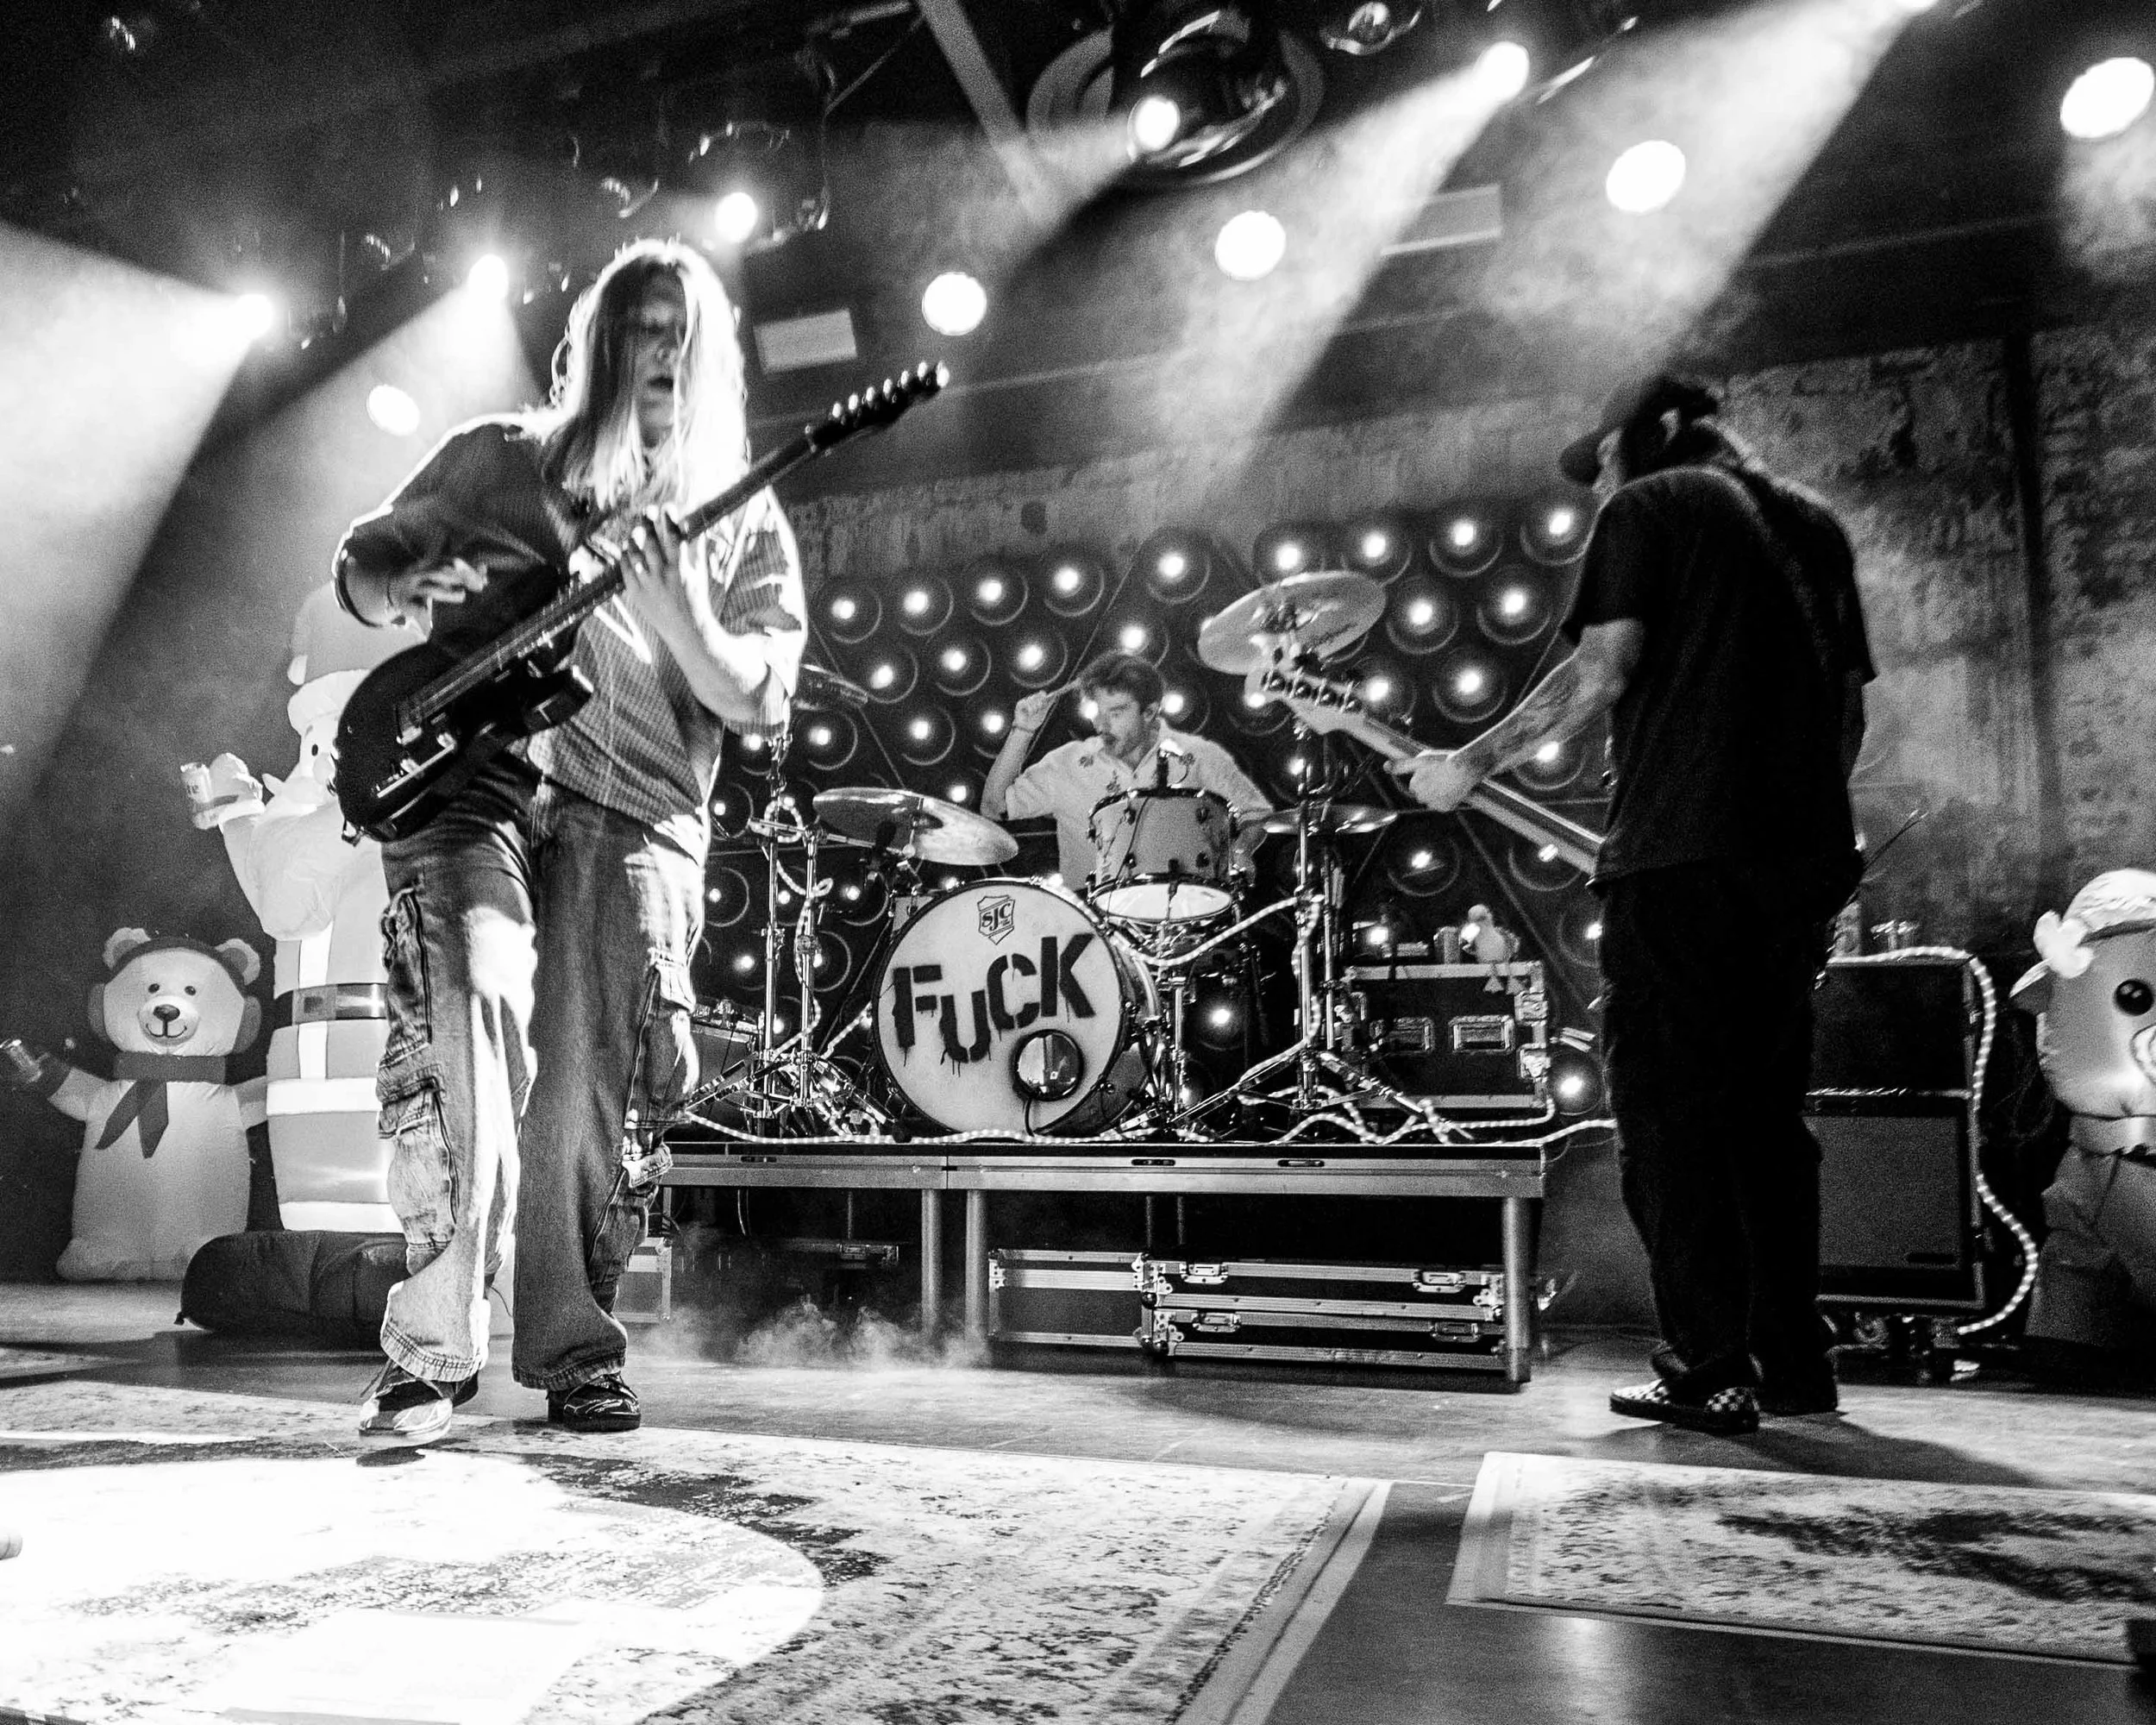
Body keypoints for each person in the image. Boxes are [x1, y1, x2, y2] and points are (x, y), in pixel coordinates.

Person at [334, 238, 805, 1440]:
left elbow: (761, 697)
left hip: (637, 805)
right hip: (469, 784)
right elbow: (366, 563)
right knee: (464, 1026)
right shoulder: (503, 456)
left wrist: (682, 612)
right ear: (597, 342)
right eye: (641, 326)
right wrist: (403, 583)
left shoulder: (738, 510)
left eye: (682, 333)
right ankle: (433, 1350)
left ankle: (572, 1346)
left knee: (589, 1084)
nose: (662, 351)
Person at [1396, 373, 1872, 1435]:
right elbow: (1846, 710)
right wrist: (1800, 828)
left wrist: (1469, 762)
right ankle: (1796, 1362)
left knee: (1667, 1117)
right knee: (1766, 1120)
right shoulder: (1816, 526)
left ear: (1651, 434)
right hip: (1795, 863)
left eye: (1604, 456)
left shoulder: (1648, 505)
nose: (1599, 479)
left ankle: (1708, 1366)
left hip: (1677, 863)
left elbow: (1599, 672)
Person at [981, 650, 1270, 892]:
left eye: (1116, 712)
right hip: (1093, 924)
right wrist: (1023, 729)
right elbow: (994, 808)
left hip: (1185, 913)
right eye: (1097, 712)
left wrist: (1241, 850)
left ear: (1150, 712)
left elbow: (1255, 814)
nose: (1101, 725)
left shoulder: (1199, 755)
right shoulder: (1067, 763)